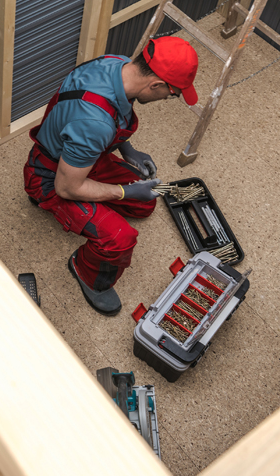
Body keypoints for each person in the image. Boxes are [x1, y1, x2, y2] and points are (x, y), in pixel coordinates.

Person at [23, 36, 199, 315]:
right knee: (119, 238)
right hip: (52, 177)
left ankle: (98, 205)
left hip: (81, 156)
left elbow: (113, 115)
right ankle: (85, 271)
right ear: (155, 84)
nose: (168, 99)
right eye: (173, 94)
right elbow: (66, 188)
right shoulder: (94, 124)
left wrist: (128, 150)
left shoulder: (117, 64)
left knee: (145, 204)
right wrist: (124, 191)